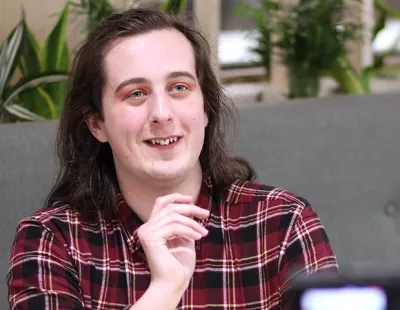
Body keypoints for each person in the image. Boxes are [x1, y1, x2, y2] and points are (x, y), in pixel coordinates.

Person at [8, 8, 338, 310]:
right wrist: (165, 288)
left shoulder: (283, 223)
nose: (162, 114)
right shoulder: (52, 240)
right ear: (97, 123)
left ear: (205, 108)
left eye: (179, 87)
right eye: (136, 94)